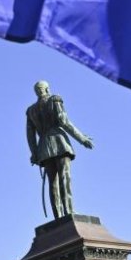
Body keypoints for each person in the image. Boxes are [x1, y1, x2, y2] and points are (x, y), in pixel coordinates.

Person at [25, 80, 93, 218]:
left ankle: (58, 216)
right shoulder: (54, 100)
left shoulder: (30, 110)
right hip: (59, 142)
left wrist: (34, 153)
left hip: (44, 147)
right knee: (64, 177)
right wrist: (82, 138)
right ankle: (69, 210)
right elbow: (64, 121)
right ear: (47, 89)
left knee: (52, 183)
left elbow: (30, 136)